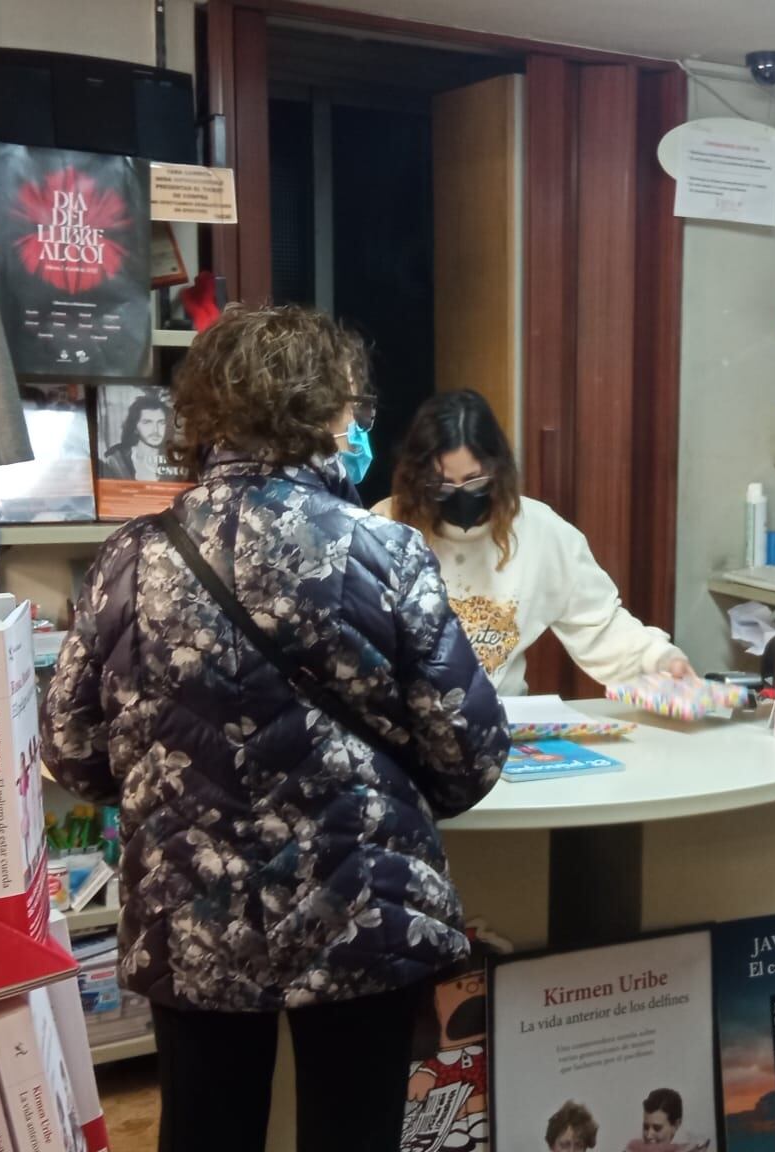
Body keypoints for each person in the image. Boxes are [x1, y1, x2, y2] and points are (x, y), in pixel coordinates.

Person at [43, 304, 510, 1152]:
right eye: (351, 409)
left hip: (193, 912)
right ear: (323, 415)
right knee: (353, 1132)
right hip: (361, 907)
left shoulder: (131, 556)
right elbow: (469, 752)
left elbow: (72, 751)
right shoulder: (386, 553)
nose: (360, 427)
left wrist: (178, 787)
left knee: (206, 1131)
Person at [376, 389, 690, 695]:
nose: (461, 496)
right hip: (406, 725)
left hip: (501, 720)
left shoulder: (538, 530)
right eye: (442, 485)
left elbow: (599, 624)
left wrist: (660, 660)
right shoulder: (385, 527)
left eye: (475, 481)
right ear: (418, 479)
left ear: (497, 469)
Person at [101, 389, 174, 481]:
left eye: (161, 423)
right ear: (135, 427)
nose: (155, 430)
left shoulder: (175, 457)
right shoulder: (117, 458)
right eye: (147, 422)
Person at [629, 1088, 711, 1152]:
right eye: (646, 1127)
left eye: (657, 1128)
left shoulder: (700, 1147)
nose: (649, 1135)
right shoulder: (634, 1146)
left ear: (676, 1125)